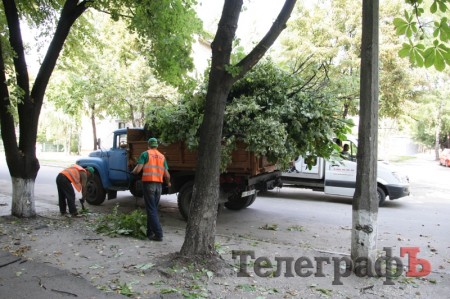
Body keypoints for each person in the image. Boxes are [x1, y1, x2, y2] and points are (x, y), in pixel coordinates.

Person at [132, 137, 171, 242]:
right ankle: (150, 233)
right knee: (153, 209)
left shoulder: (145, 154)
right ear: (157, 145)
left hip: (149, 184)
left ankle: (159, 234)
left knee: (151, 209)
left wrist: (133, 172)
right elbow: (167, 174)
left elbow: (138, 169)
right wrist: (168, 182)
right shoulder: (162, 157)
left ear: (148, 145)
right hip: (159, 186)